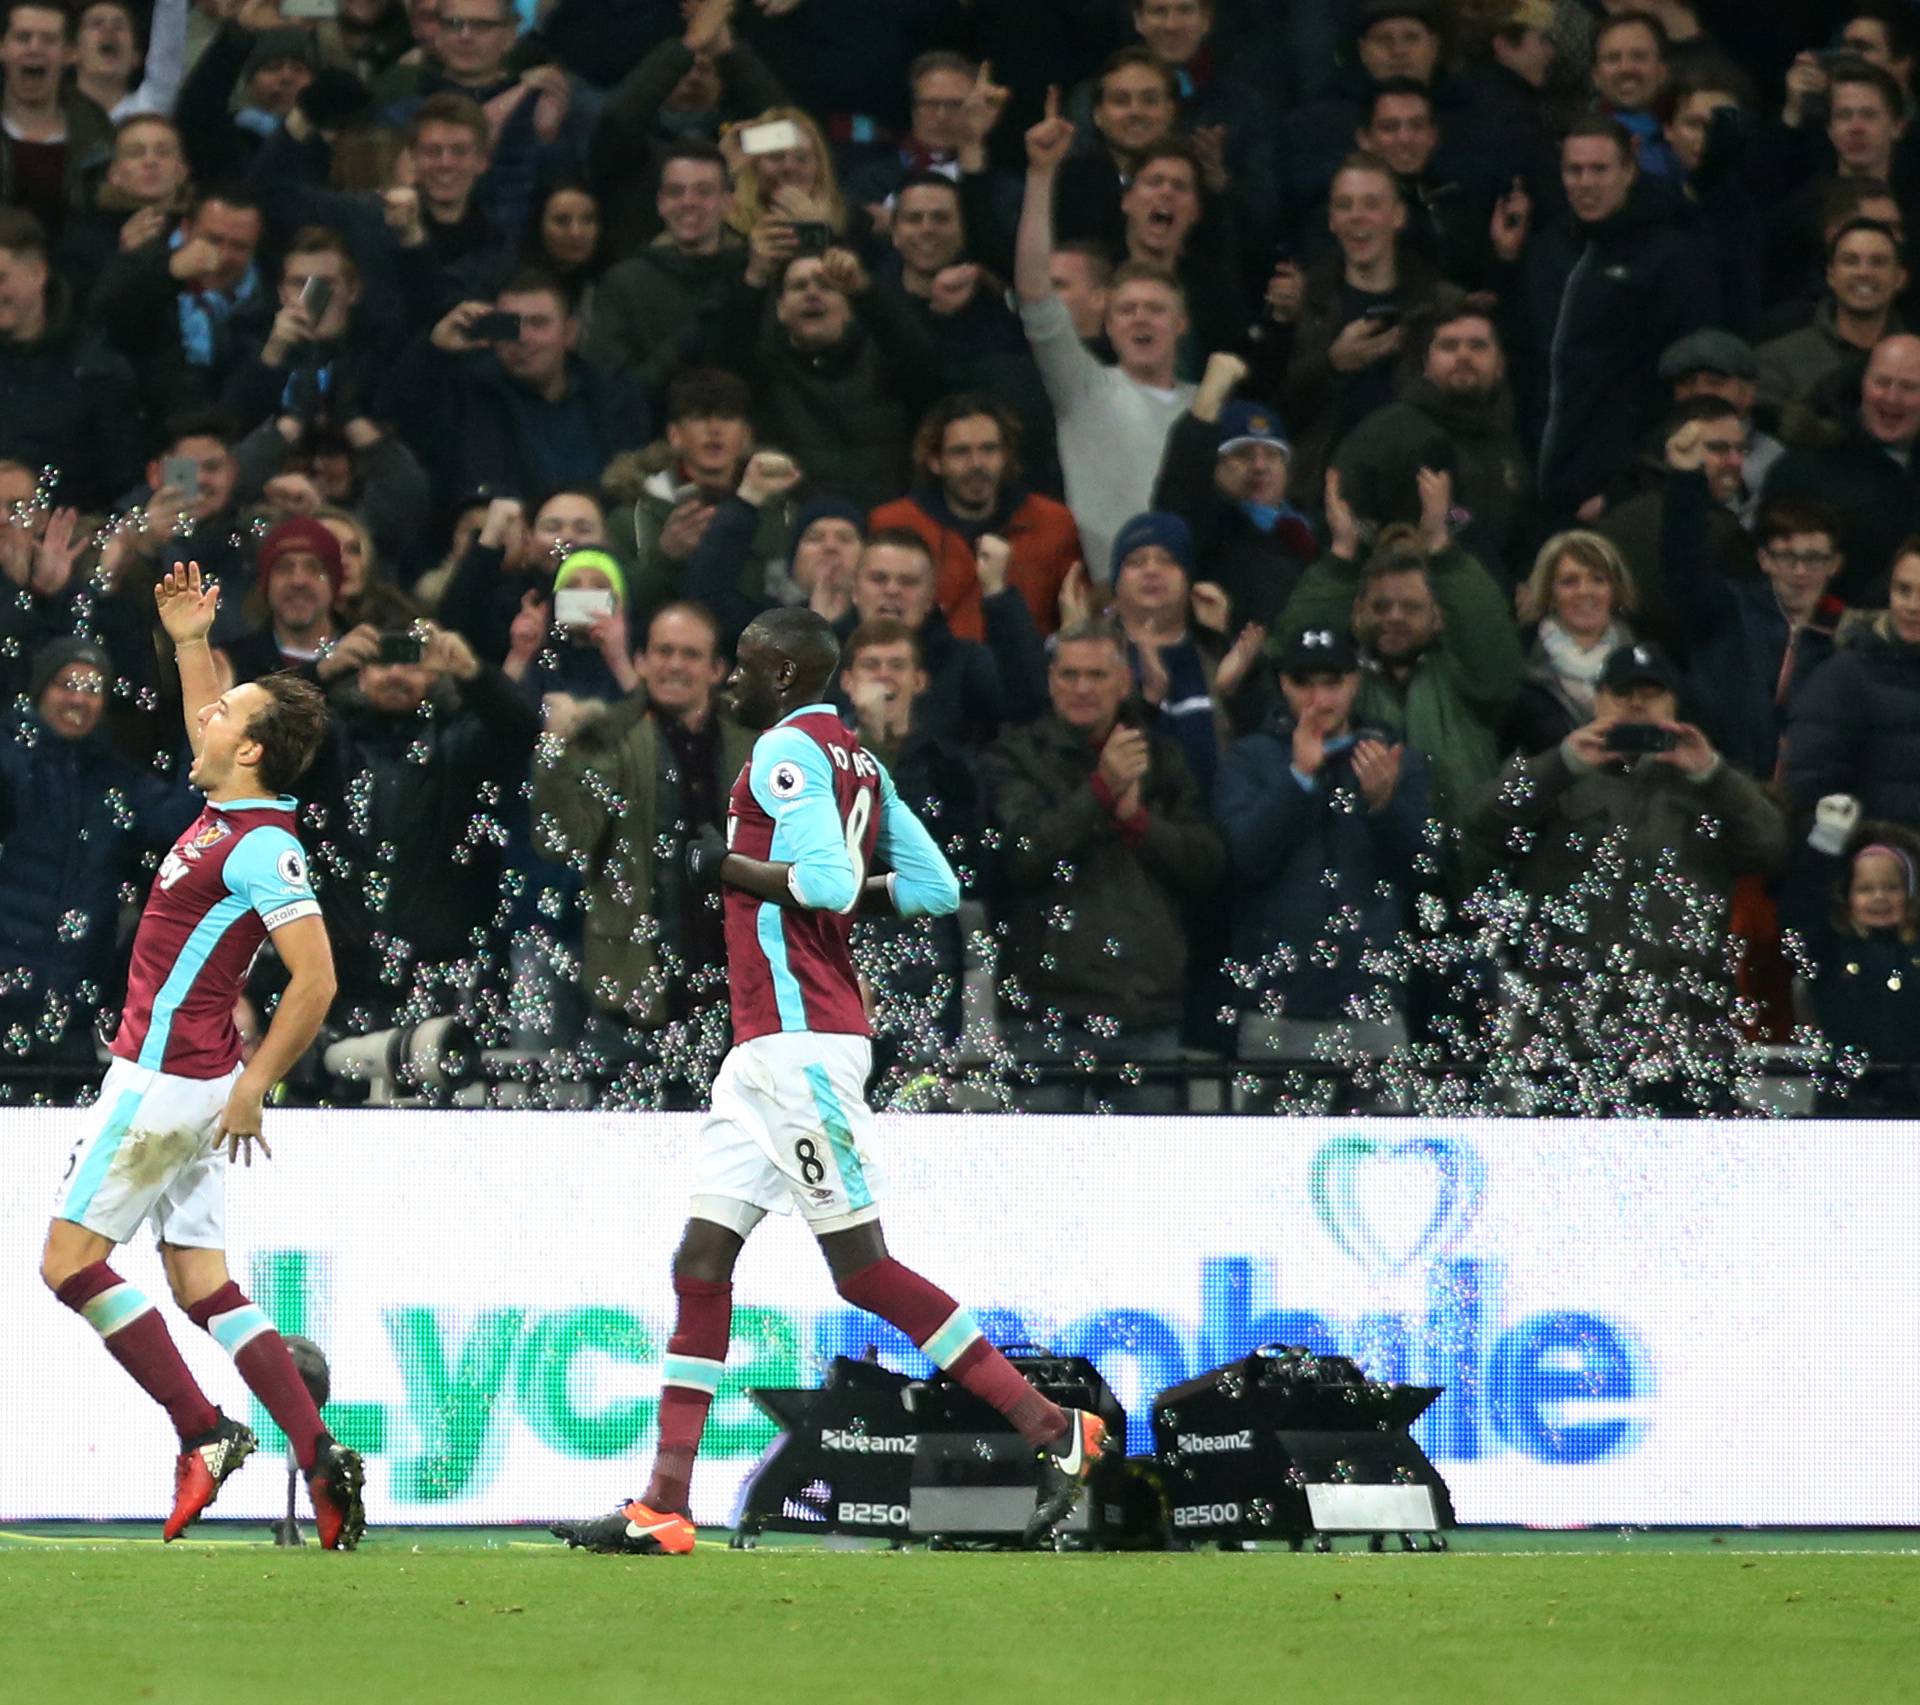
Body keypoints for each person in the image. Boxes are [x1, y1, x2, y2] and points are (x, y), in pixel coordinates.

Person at [551, 606, 1108, 1555]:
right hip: (767, 1050)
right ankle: (664, 1502)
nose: (728, 675)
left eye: (743, 663)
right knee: (700, 1258)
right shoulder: (861, 762)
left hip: (800, 1044)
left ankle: (1054, 1428)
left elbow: (822, 886)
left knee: (863, 1269)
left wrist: (722, 865)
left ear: (779, 678)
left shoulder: (782, 747)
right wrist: (843, 886)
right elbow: (931, 889)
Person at [37, 561, 365, 1549]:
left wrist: (260, 1085)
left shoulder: (263, 844)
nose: (208, 715)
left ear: (254, 747)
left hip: (167, 1082)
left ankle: (204, 1431)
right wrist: (188, 641)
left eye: (229, 711)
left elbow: (316, 980)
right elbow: (204, 727)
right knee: (203, 1284)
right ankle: (321, 1456)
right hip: (195, 1074)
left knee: (69, 1264)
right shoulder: (232, 810)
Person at [1462, 639, 1790, 1112]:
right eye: (1622, 693)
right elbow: (1480, 823)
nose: (1637, 704)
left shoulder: (1711, 786)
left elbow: (1771, 847)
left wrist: (1714, 775)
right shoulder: (1557, 776)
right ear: (1597, 701)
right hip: (1568, 1034)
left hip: (1686, 1034)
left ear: (1675, 703)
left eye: (1651, 693)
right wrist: (1563, 763)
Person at [979, 619, 1225, 1110]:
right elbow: (1021, 856)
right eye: (1069, 675)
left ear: (1123, 681)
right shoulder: (1015, 755)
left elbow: (1209, 866)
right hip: (1043, 1011)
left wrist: (1137, 821)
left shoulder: (1163, 758)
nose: (1082, 688)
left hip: (1146, 1009)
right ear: (1051, 681)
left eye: (1095, 675)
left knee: (1147, 1180)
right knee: (1042, 1177)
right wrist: (1100, 791)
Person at [532, 601, 754, 1106]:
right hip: (633, 993)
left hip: (738, 997)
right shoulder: (608, 737)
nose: (676, 664)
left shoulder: (756, 744)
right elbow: (562, 841)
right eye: (664, 651)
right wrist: (553, 753)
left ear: (717, 669)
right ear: (642, 661)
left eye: (691, 654)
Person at [1216, 624, 1430, 1070]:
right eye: (1304, 684)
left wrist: (1384, 807)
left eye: (1332, 683)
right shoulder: (1248, 759)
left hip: (1372, 1004)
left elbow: (1423, 872)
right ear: (1282, 684)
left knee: (1381, 1143)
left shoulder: (1392, 759)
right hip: (1277, 1007)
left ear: (1354, 682)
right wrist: (1297, 779)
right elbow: (1246, 861)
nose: (1319, 700)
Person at [1015, 90, 1195, 582]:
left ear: (1181, 323)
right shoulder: (1085, 388)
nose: (1141, 320)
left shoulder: (1207, 408)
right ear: (1108, 323)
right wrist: (1040, 174)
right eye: (1127, 310)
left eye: (1156, 310)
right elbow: (1034, 291)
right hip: (1102, 596)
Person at [1500, 116, 1717, 520]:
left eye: (1599, 169)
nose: (1585, 182)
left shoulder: (1670, 257)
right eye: (1574, 170)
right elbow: (1520, 354)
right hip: (1531, 481)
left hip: (1607, 491)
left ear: (1629, 170)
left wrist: (1628, 485)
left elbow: (1682, 383)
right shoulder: (1546, 249)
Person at [0, 637, 196, 1080]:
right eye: (65, 684)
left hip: (71, 1012)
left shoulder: (115, 777)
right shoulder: (9, 760)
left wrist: (201, 731)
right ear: (38, 693)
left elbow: (181, 824)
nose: (77, 699)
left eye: (92, 688)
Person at [1330, 296, 1530, 586]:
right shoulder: (1388, 432)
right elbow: (1347, 526)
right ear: (1426, 364)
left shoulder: (1506, 444)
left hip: (1488, 613)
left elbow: (1521, 537)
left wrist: (1525, 580)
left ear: (1500, 365)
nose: (1463, 355)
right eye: (1449, 346)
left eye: (1478, 346)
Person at [869, 393, 1082, 641]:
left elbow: (1076, 616)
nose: (977, 464)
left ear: (1006, 456)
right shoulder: (894, 523)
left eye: (989, 449)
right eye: (961, 452)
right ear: (936, 462)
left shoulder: (1053, 522)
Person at [1151, 355, 1317, 633]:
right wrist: (1211, 393)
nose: (1260, 466)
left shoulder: (1314, 529)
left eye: (1272, 455)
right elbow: (1182, 486)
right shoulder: (1209, 530)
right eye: (1242, 454)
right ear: (1214, 466)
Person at [1779, 802, 1920, 1114]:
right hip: (1847, 1101)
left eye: (1892, 888)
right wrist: (1825, 843)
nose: (1879, 898)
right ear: (1847, 896)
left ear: (1910, 895)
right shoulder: (1830, 951)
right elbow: (1800, 913)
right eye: (1866, 889)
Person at [1763, 331, 1920, 606]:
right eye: (1882, 383)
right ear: (1862, 384)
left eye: (1909, 387)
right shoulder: (1803, 469)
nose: (1892, 398)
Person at [585, 140, 747, 395]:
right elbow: (611, 389)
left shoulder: (753, 275)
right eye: (675, 192)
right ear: (660, 203)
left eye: (703, 192)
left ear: (727, 202)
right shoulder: (622, 284)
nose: (688, 202)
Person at [1783, 542, 1920, 832]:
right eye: (1903, 591)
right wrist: (1864, 850)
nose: (1912, 606)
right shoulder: (1845, 674)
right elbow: (1810, 792)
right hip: (1864, 858)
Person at [1756, 218, 1909, 417]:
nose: (1864, 272)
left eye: (1878, 262)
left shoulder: (1916, 359)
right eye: (1850, 261)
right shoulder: (1776, 361)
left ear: (1899, 278)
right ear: (1831, 275)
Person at [1509, 530, 1642, 755]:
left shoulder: (1648, 665)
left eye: (1598, 580)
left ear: (1615, 590)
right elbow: (1515, 774)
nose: (1584, 592)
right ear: (1549, 593)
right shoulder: (1519, 669)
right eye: (1569, 582)